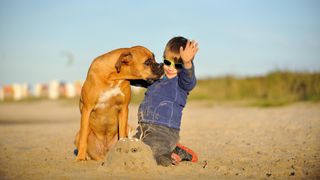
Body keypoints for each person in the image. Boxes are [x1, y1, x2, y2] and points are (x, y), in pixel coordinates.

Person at [133, 36, 199, 166]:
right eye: (167, 62)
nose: (171, 68)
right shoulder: (157, 76)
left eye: (178, 65)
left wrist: (187, 63)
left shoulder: (181, 83)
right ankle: (172, 148)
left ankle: (173, 154)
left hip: (164, 130)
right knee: (133, 147)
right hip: (143, 127)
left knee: (154, 155)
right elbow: (138, 78)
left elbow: (189, 80)